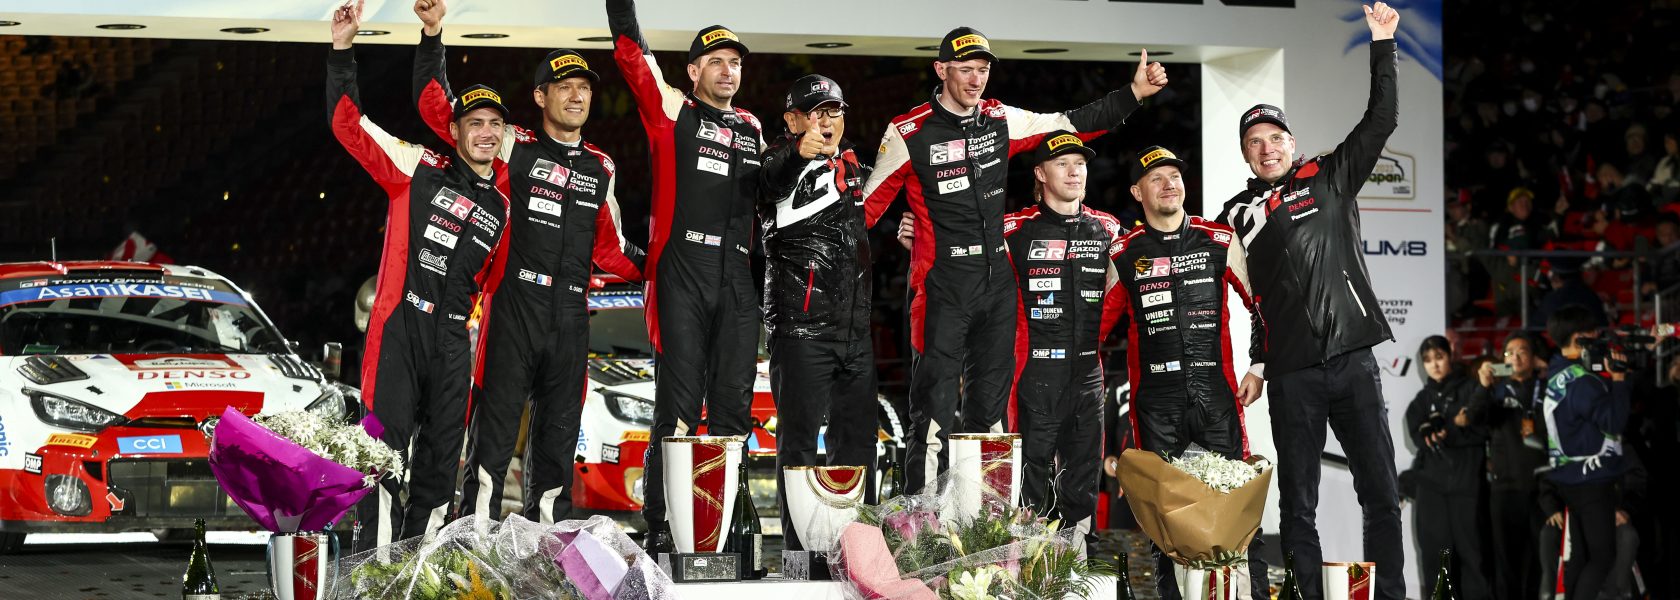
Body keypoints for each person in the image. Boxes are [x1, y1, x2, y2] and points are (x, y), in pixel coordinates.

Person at [861, 26, 1167, 496]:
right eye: (965, 69)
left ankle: (987, 520)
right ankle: (921, 521)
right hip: (942, 286)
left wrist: (1133, 94)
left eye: (983, 70)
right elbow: (865, 209)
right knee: (934, 411)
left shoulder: (1000, 118)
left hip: (997, 287)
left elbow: (1070, 124)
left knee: (992, 414)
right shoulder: (908, 131)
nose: (975, 79)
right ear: (940, 70)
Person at [411, 0, 645, 526]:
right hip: (513, 306)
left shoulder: (601, 166)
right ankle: (474, 541)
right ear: (541, 96)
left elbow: (610, 249)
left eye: (584, 88)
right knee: (494, 439)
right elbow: (437, 110)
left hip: (571, 315)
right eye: (564, 87)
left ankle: (547, 550)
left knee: (557, 442)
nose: (577, 96)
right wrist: (433, 36)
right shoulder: (512, 144)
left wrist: (665, 267)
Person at [1212, 4, 1405, 598]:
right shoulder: (1234, 217)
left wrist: (1382, 44)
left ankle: (1390, 595)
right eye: (1254, 142)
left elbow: (1382, 118)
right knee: (1298, 504)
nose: (1266, 148)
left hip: (1353, 359)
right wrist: (1259, 362)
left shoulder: (1330, 175)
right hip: (1292, 373)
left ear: (1292, 143)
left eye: (1275, 138)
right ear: (1245, 155)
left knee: (1380, 493)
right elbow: (1253, 298)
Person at [325, 0, 510, 551]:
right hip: (400, 330)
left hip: (453, 340)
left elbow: (499, 282)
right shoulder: (416, 167)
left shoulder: (502, 207)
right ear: (454, 129)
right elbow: (348, 125)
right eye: (474, 123)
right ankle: (373, 569)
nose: (485, 133)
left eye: (494, 125)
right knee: (381, 453)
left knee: (440, 460)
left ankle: (419, 568)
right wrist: (343, 49)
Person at [605, 0, 765, 553]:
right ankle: (661, 528)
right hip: (681, 271)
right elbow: (632, 54)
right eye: (716, 61)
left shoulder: (752, 127)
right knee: (677, 407)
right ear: (693, 70)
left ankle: (726, 532)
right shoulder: (671, 109)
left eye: (735, 63)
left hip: (737, 275)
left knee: (732, 411)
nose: (728, 70)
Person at [1104, 146, 1268, 599]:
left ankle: (1250, 595)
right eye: (1156, 179)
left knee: (1238, 504)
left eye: (1174, 176)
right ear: (1137, 192)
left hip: (1216, 396)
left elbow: (1261, 302)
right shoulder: (1123, 253)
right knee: (1163, 517)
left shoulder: (1219, 239)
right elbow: (1094, 328)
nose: (1169, 185)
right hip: (1155, 404)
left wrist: (1259, 365)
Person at [757, 74, 876, 551]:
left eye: (835, 111)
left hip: (855, 332)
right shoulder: (773, 160)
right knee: (800, 445)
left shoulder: (854, 167)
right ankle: (799, 552)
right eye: (815, 112)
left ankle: (856, 548)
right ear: (792, 120)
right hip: (800, 329)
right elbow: (768, 183)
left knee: (858, 445)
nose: (827, 121)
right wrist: (796, 152)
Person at [998, 133, 1124, 550]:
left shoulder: (1108, 228)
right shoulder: (1013, 230)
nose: (1074, 172)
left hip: (1088, 372)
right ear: (1040, 173)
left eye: (1080, 164)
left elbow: (1126, 289)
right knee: (1029, 477)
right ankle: (1025, 565)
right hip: (1033, 372)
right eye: (1062, 164)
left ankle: (1078, 565)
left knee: (1083, 477)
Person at [1540, 303, 1630, 600]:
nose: (1598, 338)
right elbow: (1613, 421)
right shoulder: (1582, 381)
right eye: (1593, 334)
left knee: (1580, 555)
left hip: (1570, 478)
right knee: (1602, 557)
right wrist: (1619, 381)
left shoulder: (1558, 372)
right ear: (1579, 338)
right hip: (1591, 479)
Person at [1405, 336, 1491, 598]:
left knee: (1473, 555)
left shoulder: (1472, 389)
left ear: (1450, 356)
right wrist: (1435, 430)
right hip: (1432, 488)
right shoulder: (1421, 401)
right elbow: (1418, 439)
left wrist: (1453, 428)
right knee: (1435, 556)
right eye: (1428, 360)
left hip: (1467, 485)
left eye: (1439, 357)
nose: (1434, 365)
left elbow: (1483, 429)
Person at [1477, 332, 1549, 600]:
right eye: (1509, 353)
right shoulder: (1495, 392)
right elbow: (1476, 419)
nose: (1515, 358)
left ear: (1534, 357)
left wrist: (1549, 369)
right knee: (1506, 563)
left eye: (1522, 352)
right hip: (1505, 489)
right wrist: (1483, 387)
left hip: (1542, 489)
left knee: (1541, 561)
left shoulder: (1548, 388)